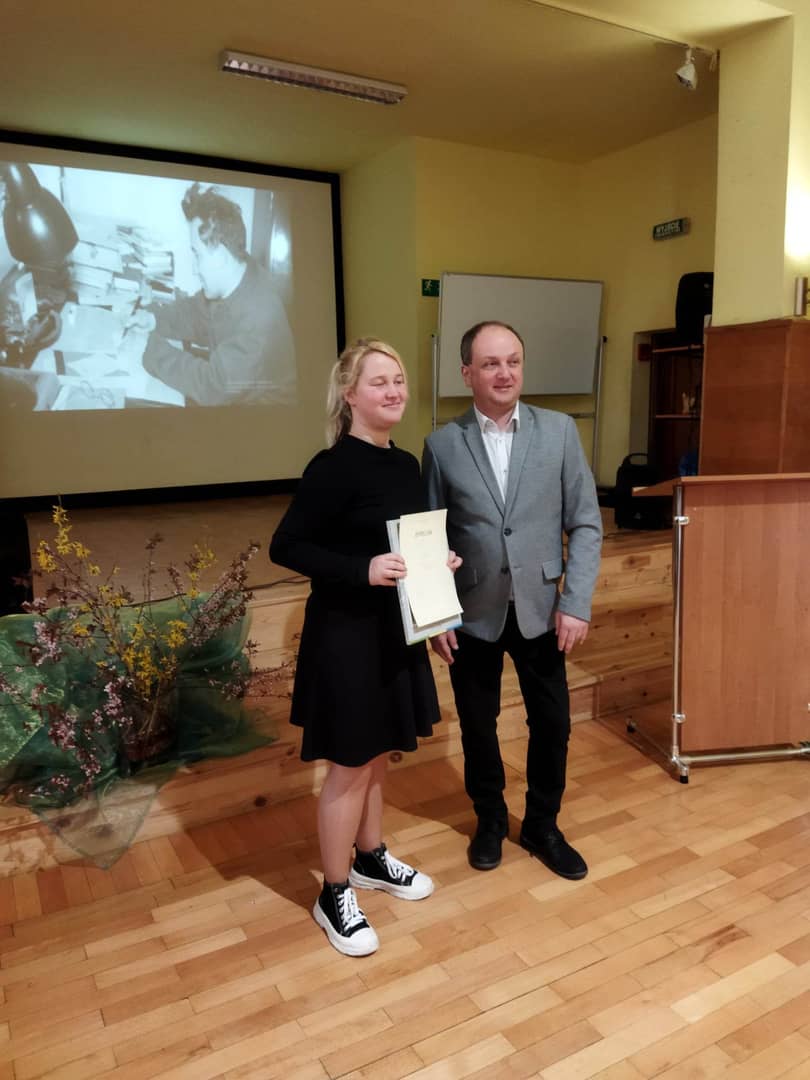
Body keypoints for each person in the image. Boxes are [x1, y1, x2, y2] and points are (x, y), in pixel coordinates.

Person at [270, 337, 459, 957]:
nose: (394, 390)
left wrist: (437, 576)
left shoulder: (404, 465)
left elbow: (408, 545)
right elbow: (287, 546)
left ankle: (370, 856)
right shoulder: (332, 467)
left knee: (377, 754)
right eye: (380, 381)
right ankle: (333, 892)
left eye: (398, 379)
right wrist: (362, 569)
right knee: (350, 765)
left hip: (394, 630)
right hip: (345, 635)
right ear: (350, 394)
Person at [422, 321, 602, 880]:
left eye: (513, 362)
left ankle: (543, 825)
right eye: (491, 363)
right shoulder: (441, 445)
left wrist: (576, 601)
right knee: (478, 726)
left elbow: (586, 523)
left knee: (553, 724)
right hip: (471, 613)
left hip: (543, 609)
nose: (505, 373)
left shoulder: (560, 432)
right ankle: (490, 819)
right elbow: (429, 539)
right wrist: (435, 615)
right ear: (467, 373)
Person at [129, 183, 295, 406]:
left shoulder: (259, 320)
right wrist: (153, 319)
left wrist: (148, 349)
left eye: (197, 255)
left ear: (221, 255)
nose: (194, 269)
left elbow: (212, 387)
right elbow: (194, 314)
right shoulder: (236, 280)